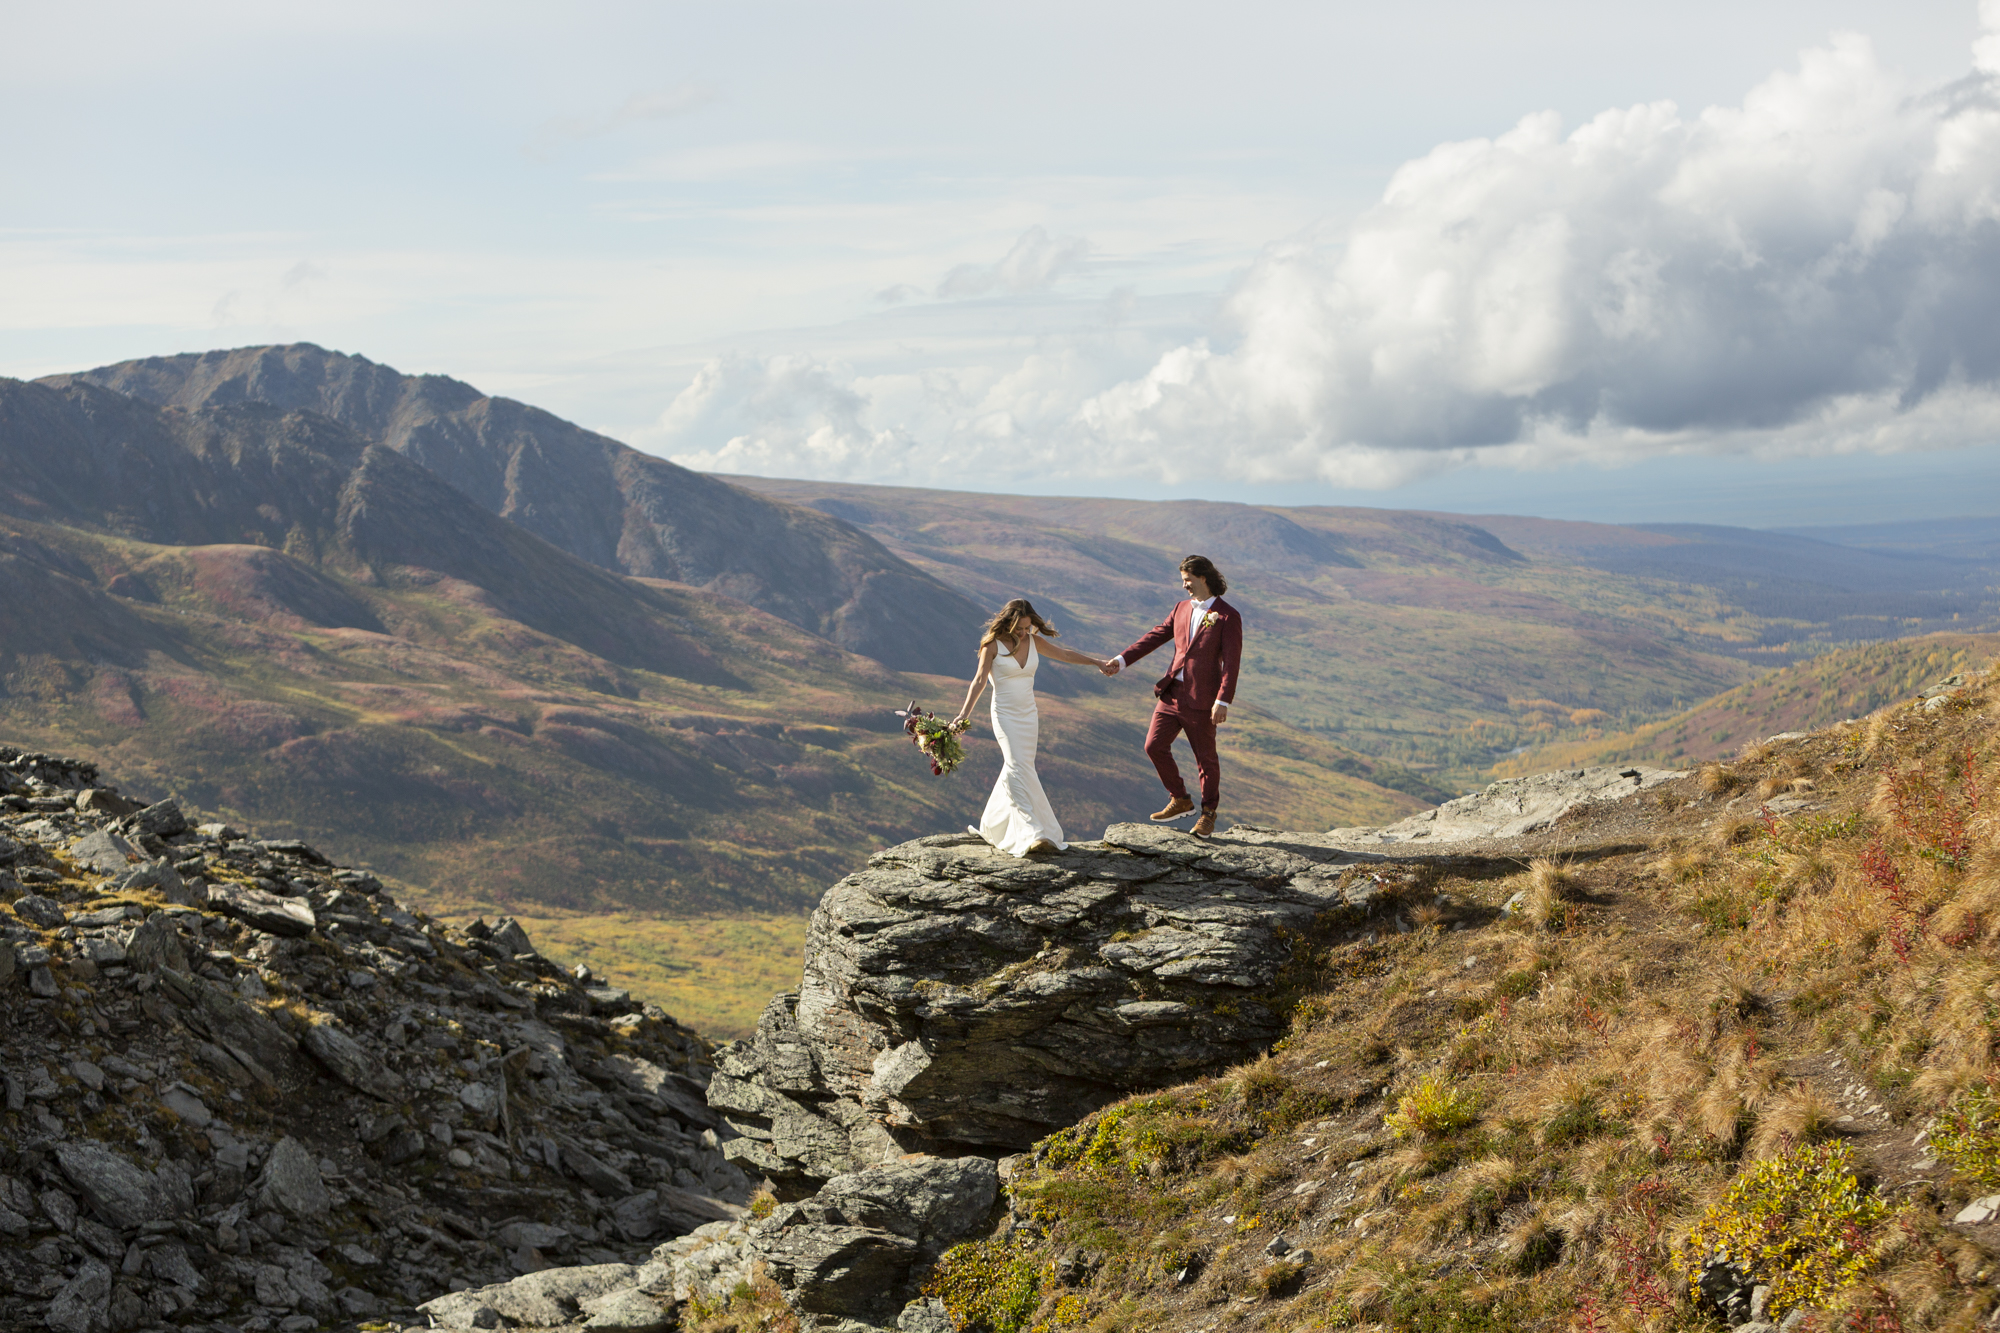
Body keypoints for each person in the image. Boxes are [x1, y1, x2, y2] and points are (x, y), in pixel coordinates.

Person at [954, 599, 1113, 856]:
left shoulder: (1034, 642)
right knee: (1016, 764)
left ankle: (994, 825)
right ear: (1008, 622)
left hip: (1029, 715)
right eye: (1019, 628)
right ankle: (1034, 832)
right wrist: (963, 714)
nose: (1023, 633)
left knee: (1020, 767)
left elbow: (1064, 654)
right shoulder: (991, 646)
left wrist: (1096, 662)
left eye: (1027, 628)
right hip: (1004, 714)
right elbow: (980, 680)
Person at [1101, 555, 1243, 838]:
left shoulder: (1228, 616)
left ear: (1203, 577)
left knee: (1206, 760)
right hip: (1171, 694)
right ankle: (1180, 799)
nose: (1184, 586)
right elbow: (1155, 636)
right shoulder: (1180, 609)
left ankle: (1208, 814)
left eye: (1187, 580)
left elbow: (1232, 663)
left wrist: (1222, 700)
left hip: (1203, 700)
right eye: (1183, 581)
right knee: (1153, 746)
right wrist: (1122, 659)